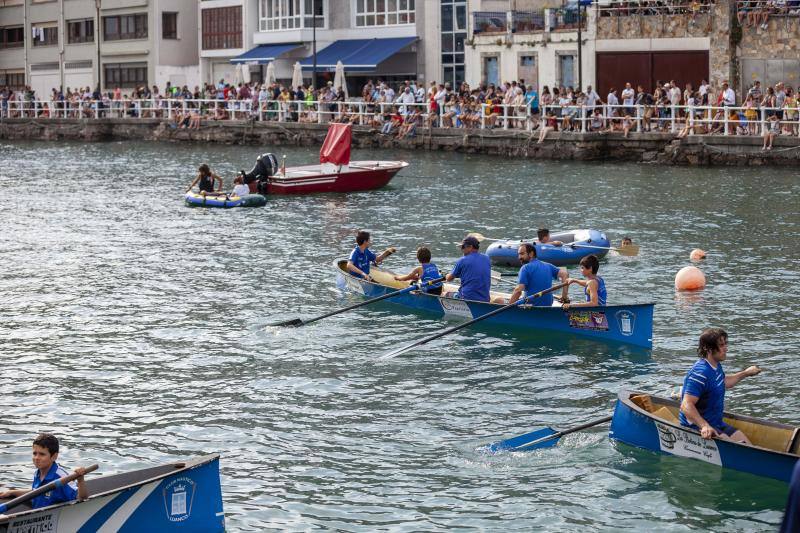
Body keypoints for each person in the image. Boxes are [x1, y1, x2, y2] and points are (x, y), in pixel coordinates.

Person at [679, 328, 762, 443]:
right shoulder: (700, 373)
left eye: (725, 344)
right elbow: (686, 405)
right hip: (697, 427)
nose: (726, 349)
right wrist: (704, 426)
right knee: (736, 448)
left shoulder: (716, 366)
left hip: (716, 422)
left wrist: (746, 373)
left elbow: (723, 382)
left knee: (748, 445)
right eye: (721, 345)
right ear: (708, 348)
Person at [0, 434, 89, 509]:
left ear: (54, 457)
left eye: (42, 454)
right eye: (35, 453)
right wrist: (12, 492)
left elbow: (82, 497)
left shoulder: (61, 476)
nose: (37, 458)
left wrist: (80, 480)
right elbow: (36, 492)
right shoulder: (38, 473)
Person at [445, 236, 491, 302]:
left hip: (466, 298)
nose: (461, 249)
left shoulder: (462, 260)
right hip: (485, 299)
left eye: (463, 247)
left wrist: (446, 275)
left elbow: (449, 279)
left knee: (445, 294)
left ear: (470, 247)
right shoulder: (487, 258)